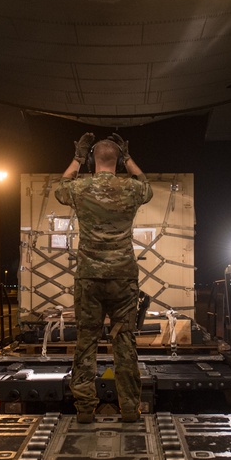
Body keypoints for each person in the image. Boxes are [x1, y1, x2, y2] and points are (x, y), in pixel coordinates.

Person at [56, 133, 152, 423]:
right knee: (124, 342)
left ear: (90, 160)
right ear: (119, 161)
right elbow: (147, 188)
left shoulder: (80, 187)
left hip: (89, 278)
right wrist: (129, 158)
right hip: (123, 278)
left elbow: (61, 188)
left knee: (86, 341)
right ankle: (130, 409)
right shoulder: (131, 188)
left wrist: (76, 158)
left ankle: (85, 409)